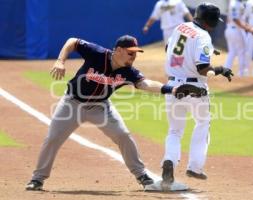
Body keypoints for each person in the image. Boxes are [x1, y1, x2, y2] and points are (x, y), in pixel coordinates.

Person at [25, 35, 196, 191]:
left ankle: (142, 176)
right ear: (119, 50)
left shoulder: (129, 71)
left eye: (135, 53)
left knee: (123, 135)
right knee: (53, 139)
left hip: (101, 107)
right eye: (130, 53)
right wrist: (60, 61)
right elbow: (72, 41)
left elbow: (145, 84)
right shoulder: (97, 53)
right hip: (72, 104)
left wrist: (171, 89)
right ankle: (37, 179)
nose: (133, 57)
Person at [160, 3, 233, 187]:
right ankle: (195, 167)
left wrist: (204, 51)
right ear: (211, 21)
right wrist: (220, 69)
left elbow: (169, 48)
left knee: (175, 131)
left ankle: (169, 160)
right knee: (203, 122)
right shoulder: (204, 36)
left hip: (172, 86)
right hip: (195, 89)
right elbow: (202, 70)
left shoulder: (180, 27)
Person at [225, 0, 253, 76]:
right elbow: (236, 19)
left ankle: (225, 72)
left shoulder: (237, 3)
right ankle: (241, 73)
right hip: (236, 30)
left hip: (231, 29)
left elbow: (241, 20)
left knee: (232, 52)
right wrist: (249, 29)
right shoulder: (235, 3)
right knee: (242, 52)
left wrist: (250, 27)